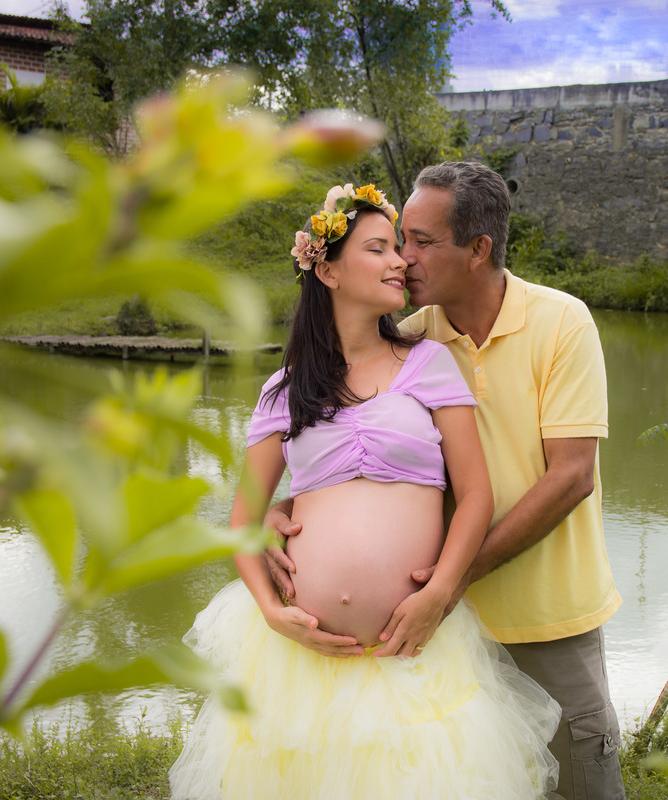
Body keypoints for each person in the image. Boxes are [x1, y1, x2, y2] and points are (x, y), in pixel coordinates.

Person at [169, 182, 560, 800]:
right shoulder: (283, 390)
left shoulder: (428, 363)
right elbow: (243, 522)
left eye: (398, 247)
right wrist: (274, 616)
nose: (399, 260)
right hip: (300, 661)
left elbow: (476, 496)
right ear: (326, 268)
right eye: (378, 248)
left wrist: (438, 591)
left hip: (409, 649)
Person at [268, 162, 626, 800]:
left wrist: (448, 583)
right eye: (398, 240)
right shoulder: (408, 338)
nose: (404, 259)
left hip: (543, 617)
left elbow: (571, 477)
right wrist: (286, 511)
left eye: (421, 242)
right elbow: (363, 456)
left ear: (479, 248)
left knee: (580, 781)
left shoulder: (561, 323)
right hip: (432, 638)